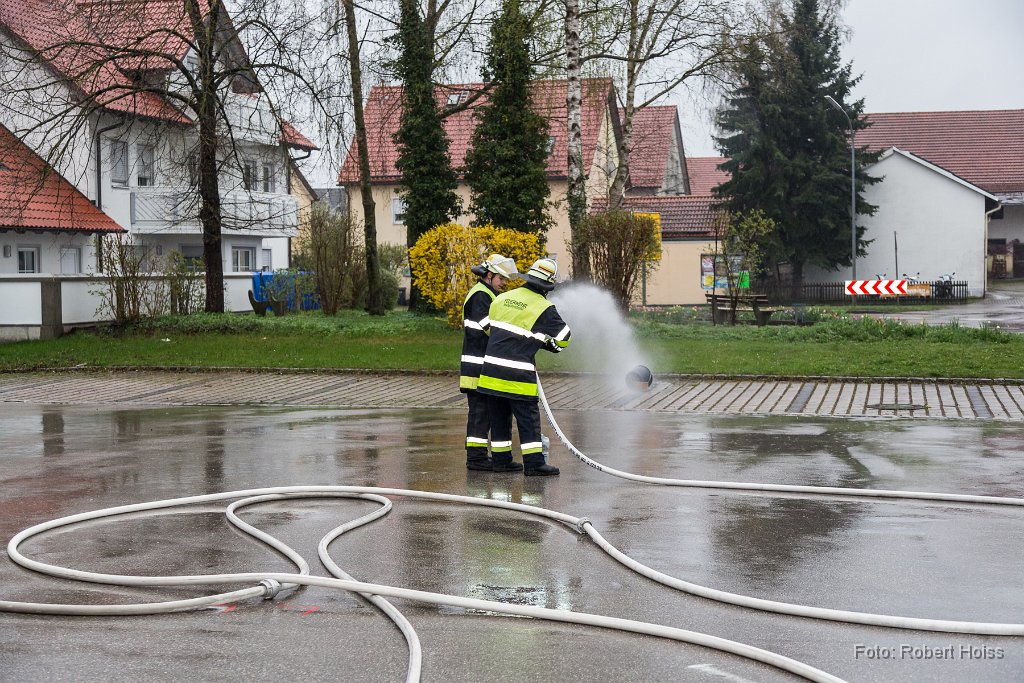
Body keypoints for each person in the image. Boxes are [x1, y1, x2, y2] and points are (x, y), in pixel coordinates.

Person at [477, 257, 570, 476]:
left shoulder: (502, 298)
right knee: (528, 421)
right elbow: (564, 337)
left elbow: (490, 328)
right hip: (518, 377)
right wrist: (546, 343)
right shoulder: (544, 307)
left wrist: (527, 337)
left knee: (499, 419)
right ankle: (534, 464)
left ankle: (501, 461)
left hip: (490, 374)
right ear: (547, 286)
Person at [461, 253, 518, 471]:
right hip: (477, 366)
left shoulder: (488, 294)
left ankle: (488, 457)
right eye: (501, 279)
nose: (504, 283)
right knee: (479, 413)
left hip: (485, 365)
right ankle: (475, 459)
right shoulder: (481, 296)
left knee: (488, 412)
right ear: (489, 275)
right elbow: (490, 328)